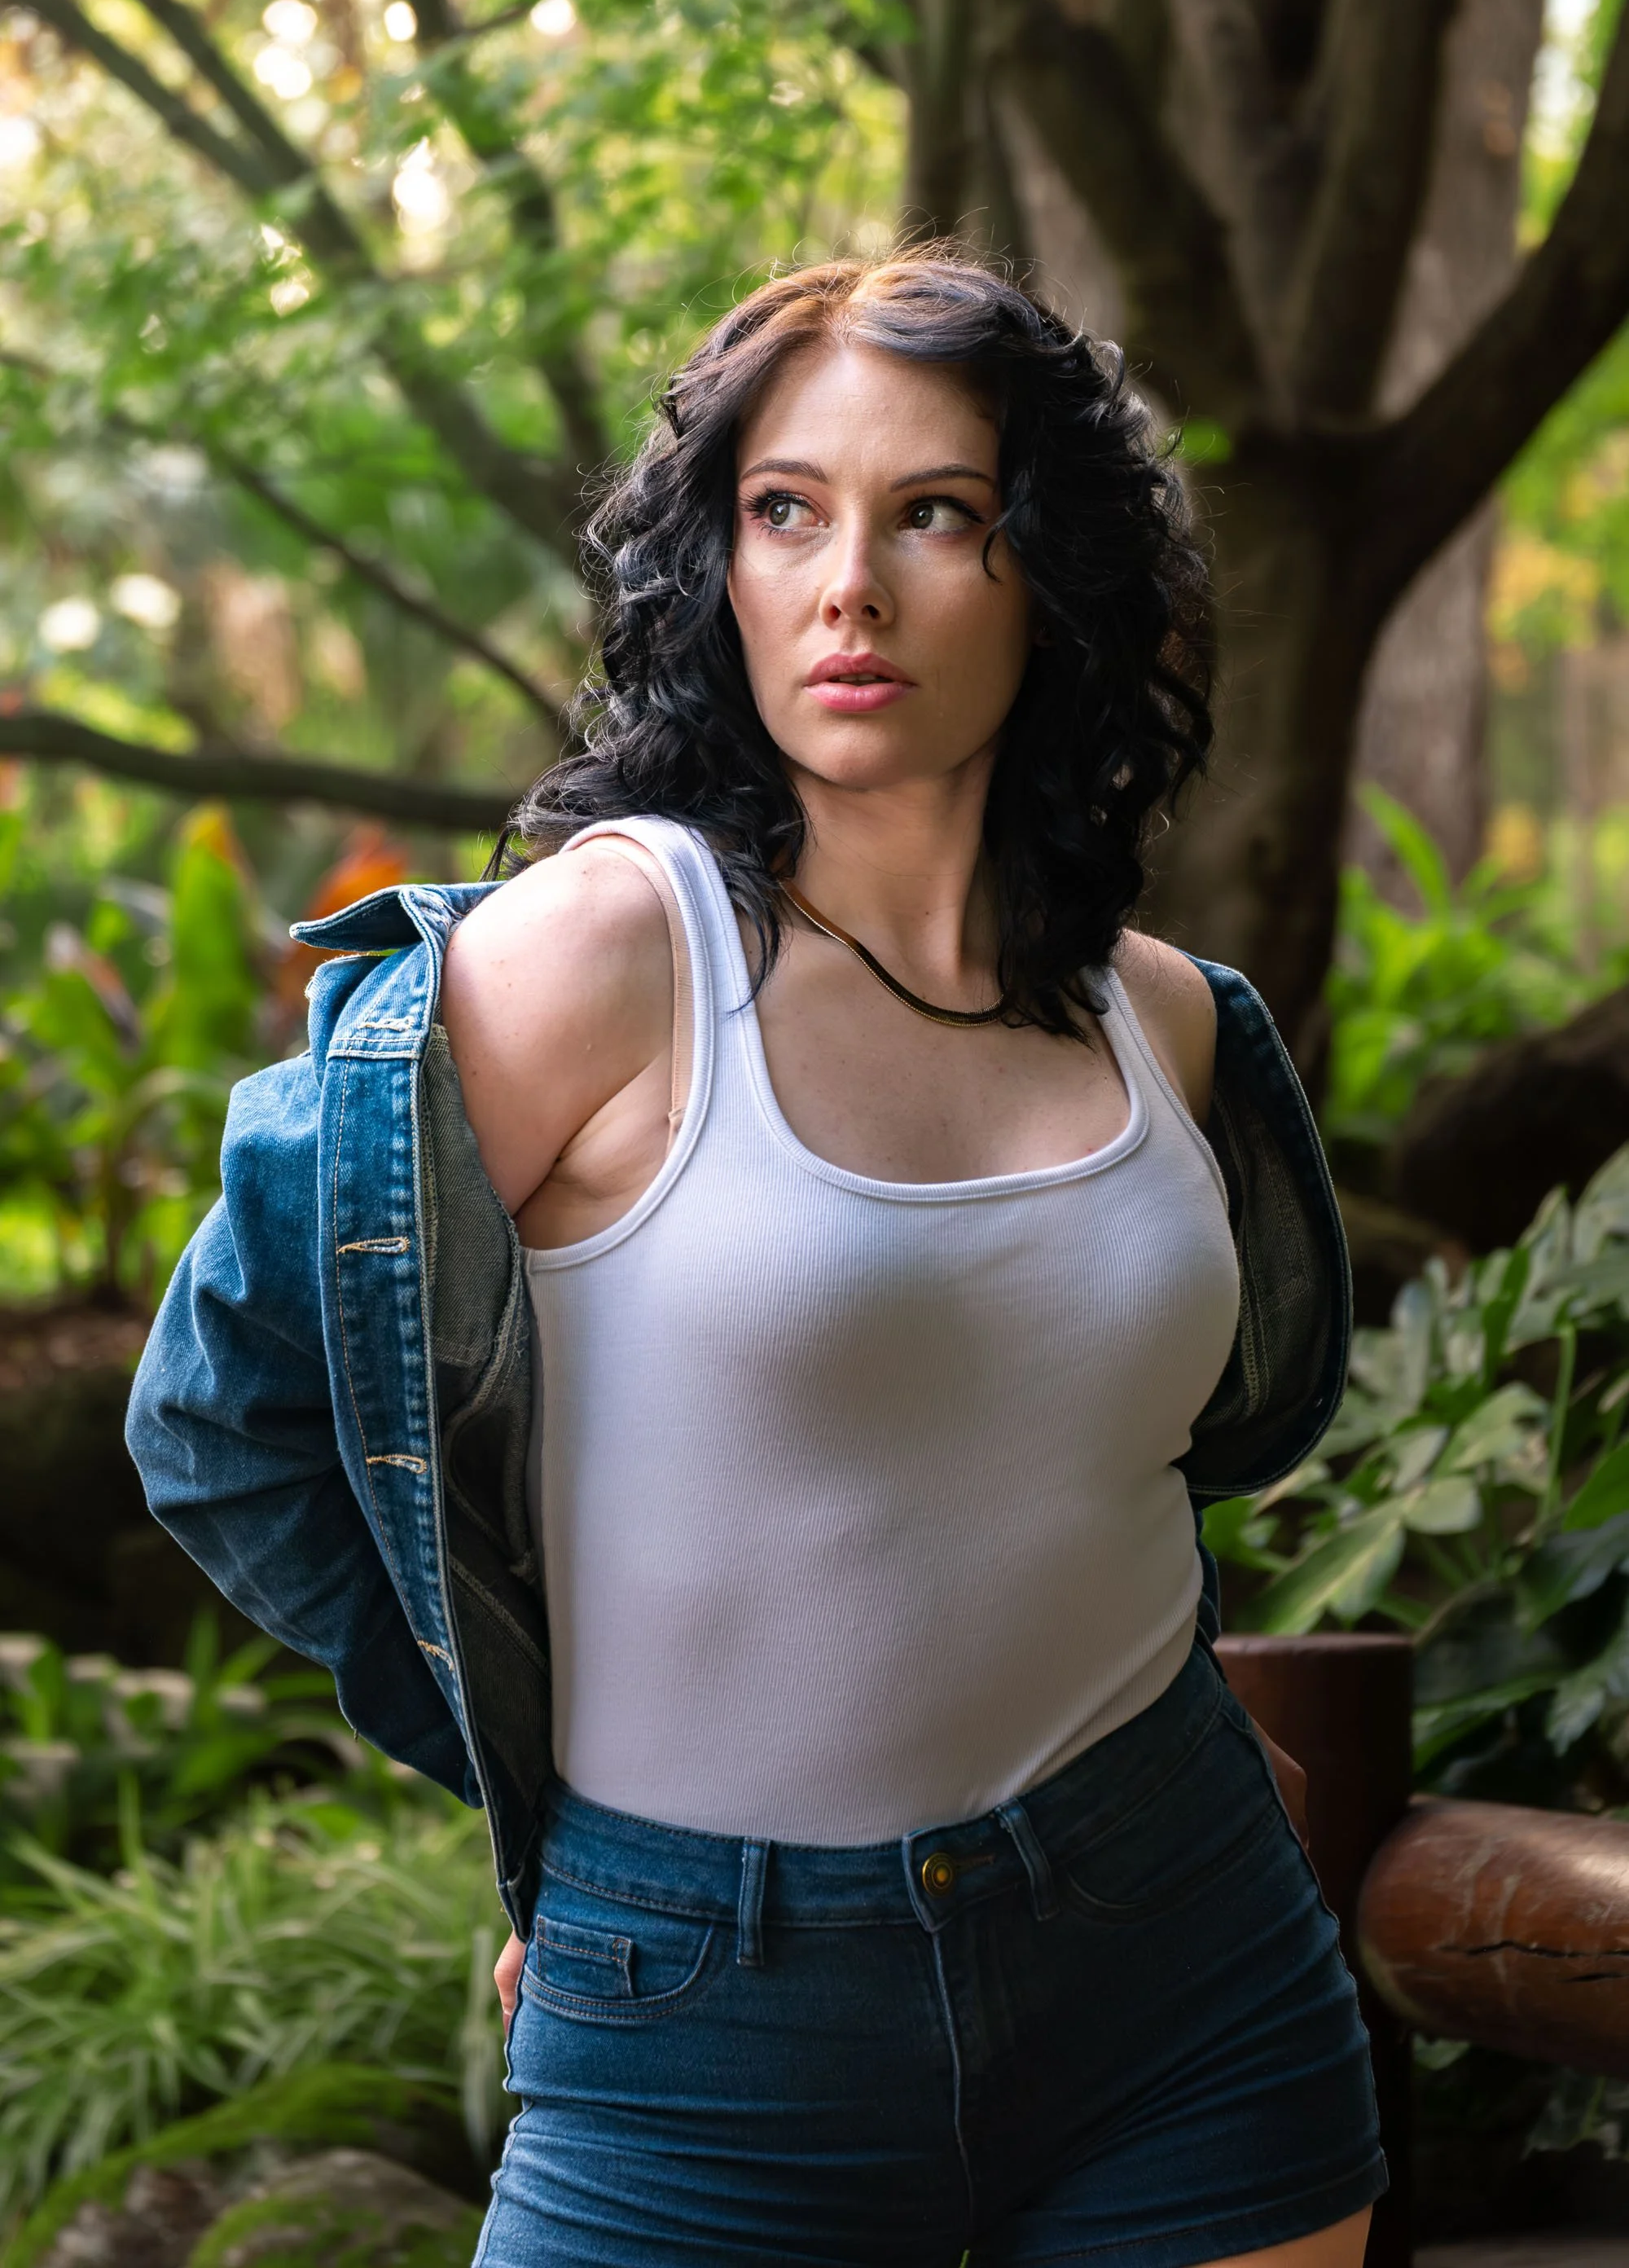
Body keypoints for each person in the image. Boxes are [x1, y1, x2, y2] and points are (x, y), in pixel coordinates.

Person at [127, 248, 1386, 2268]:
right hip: (706, 2011)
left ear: (1045, 569)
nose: (847, 587)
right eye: (784, 510)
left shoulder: (1165, 1023)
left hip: (1185, 1967)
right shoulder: (595, 960)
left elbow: (1106, 1448)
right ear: (714, 559)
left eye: (935, 517)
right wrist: (525, 1772)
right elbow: (219, 1422)